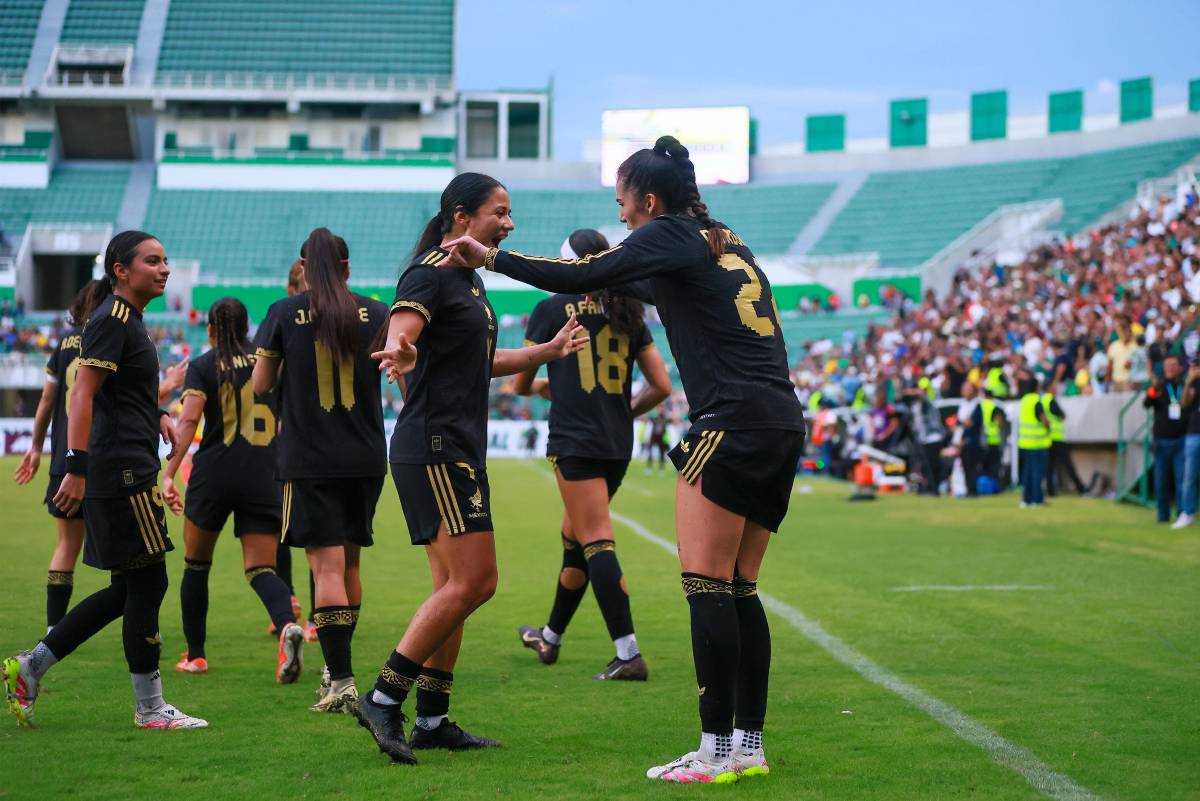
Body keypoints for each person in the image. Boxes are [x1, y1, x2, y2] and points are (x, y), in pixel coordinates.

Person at [441, 137, 806, 783]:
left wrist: (490, 256)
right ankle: (748, 746)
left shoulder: (668, 232)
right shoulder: (723, 239)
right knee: (740, 587)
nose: (622, 217)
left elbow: (582, 273)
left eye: (624, 204)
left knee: (707, 584)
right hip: (780, 421)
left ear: (651, 201)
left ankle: (714, 752)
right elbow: (620, 278)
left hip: (730, 423)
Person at [356, 173, 591, 764]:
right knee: (476, 582)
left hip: (453, 446)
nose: (509, 223)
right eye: (500, 212)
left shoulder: (468, 280)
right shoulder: (430, 272)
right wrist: (402, 347)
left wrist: (545, 352)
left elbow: (480, 359)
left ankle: (432, 720)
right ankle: (383, 697)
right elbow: (402, 330)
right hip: (436, 446)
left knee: (453, 589)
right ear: (462, 216)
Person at [3, 230, 207, 730]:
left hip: (123, 464)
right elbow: (82, 394)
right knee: (149, 580)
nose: (164, 269)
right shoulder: (114, 318)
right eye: (152, 261)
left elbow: (120, 391)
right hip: (122, 471)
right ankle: (150, 708)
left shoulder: (128, 320)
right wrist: (75, 466)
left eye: (166, 260)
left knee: (129, 586)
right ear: (121, 270)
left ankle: (32, 666)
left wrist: (157, 411)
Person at [513, 228, 672, 679]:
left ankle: (628, 653)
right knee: (575, 535)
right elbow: (661, 386)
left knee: (596, 538)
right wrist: (621, 411)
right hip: (617, 442)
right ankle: (550, 637)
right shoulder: (629, 311)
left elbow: (520, 383)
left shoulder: (550, 309)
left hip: (575, 440)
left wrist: (547, 388)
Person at [252, 229, 388, 712]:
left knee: (325, 568)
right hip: (366, 456)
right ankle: (335, 668)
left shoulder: (284, 312)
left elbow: (260, 384)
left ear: (305, 269)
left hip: (310, 457)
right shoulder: (377, 312)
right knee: (350, 565)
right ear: (347, 268)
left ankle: (341, 681)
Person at [160, 297, 304, 682]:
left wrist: (169, 472)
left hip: (214, 475)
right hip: (264, 474)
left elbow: (189, 421)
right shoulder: (270, 364)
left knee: (196, 564)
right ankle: (287, 624)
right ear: (246, 328)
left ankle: (196, 656)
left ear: (210, 330)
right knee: (261, 568)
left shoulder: (203, 366)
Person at [13, 280, 109, 631]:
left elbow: (46, 400)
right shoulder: (111, 337)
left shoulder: (64, 344)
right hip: (104, 459)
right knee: (125, 550)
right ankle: (140, 627)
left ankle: (54, 629)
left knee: (66, 546)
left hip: (65, 460)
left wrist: (35, 447)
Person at [272, 257, 316, 643]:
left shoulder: (290, 322)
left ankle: (314, 612)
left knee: (319, 537)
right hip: (294, 441)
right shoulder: (287, 324)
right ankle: (290, 606)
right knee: (284, 531)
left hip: (304, 444)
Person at [1142, 354, 1189, 524]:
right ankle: (1163, 516)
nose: (1169, 368)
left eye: (1173, 364)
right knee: (1161, 482)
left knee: (1181, 480)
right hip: (1161, 441)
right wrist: (1153, 389)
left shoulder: (1185, 386)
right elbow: (1146, 403)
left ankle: (1183, 514)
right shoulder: (1159, 386)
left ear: (1180, 368)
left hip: (1181, 440)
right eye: (1167, 365)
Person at [1042, 386, 1086, 496]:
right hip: (1057, 438)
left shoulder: (1042, 400)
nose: (1055, 389)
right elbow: (1062, 415)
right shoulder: (1051, 400)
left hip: (1048, 438)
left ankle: (1050, 490)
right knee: (1068, 465)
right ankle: (1080, 488)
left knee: (1050, 467)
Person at [1017, 374, 1051, 507]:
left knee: (1027, 473)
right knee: (1037, 473)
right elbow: (1043, 419)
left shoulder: (1024, 400)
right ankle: (1037, 500)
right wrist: (1048, 425)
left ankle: (1026, 499)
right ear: (1037, 387)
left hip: (1024, 443)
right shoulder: (1037, 400)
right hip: (1037, 443)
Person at [1175, 361, 1200, 528]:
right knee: (1189, 476)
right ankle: (1187, 513)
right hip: (1194, 433)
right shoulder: (1195, 383)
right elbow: (1184, 403)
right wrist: (1188, 382)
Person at [956, 381, 983, 497]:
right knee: (965, 467)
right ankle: (968, 489)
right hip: (961, 440)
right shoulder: (963, 405)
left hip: (971, 441)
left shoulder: (976, 405)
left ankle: (973, 490)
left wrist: (964, 436)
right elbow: (960, 422)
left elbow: (971, 424)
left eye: (968, 389)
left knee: (971, 467)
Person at [979, 386, 1007, 486]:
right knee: (995, 466)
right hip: (994, 440)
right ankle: (994, 486)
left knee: (983, 466)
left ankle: (983, 486)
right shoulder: (995, 406)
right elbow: (1000, 423)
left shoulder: (980, 406)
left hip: (982, 440)